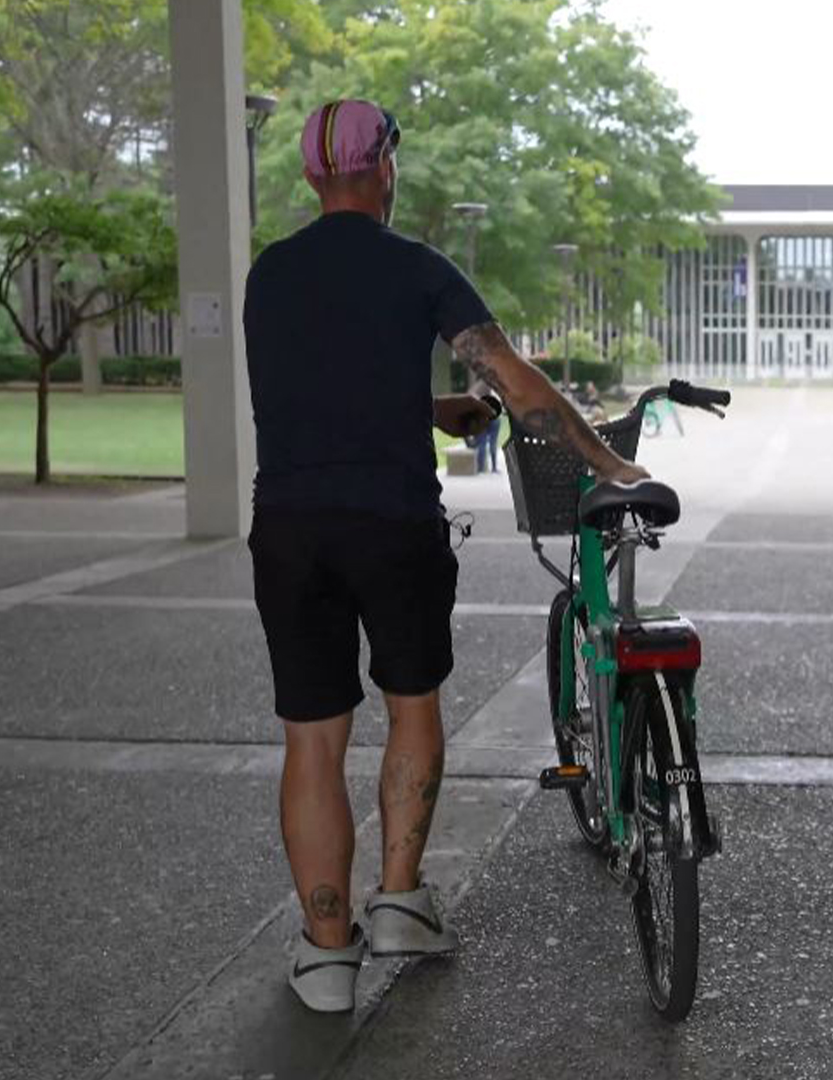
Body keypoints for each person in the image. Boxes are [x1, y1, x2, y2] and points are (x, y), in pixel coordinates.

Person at [243, 98, 648, 1013]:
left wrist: (424, 415)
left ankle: (324, 951)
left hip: (293, 529)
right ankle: (399, 905)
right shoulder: (419, 268)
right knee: (411, 704)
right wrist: (606, 458)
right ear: (383, 165)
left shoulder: (270, 275)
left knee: (312, 737)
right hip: (392, 525)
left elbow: (316, 406)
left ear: (314, 176)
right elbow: (514, 381)